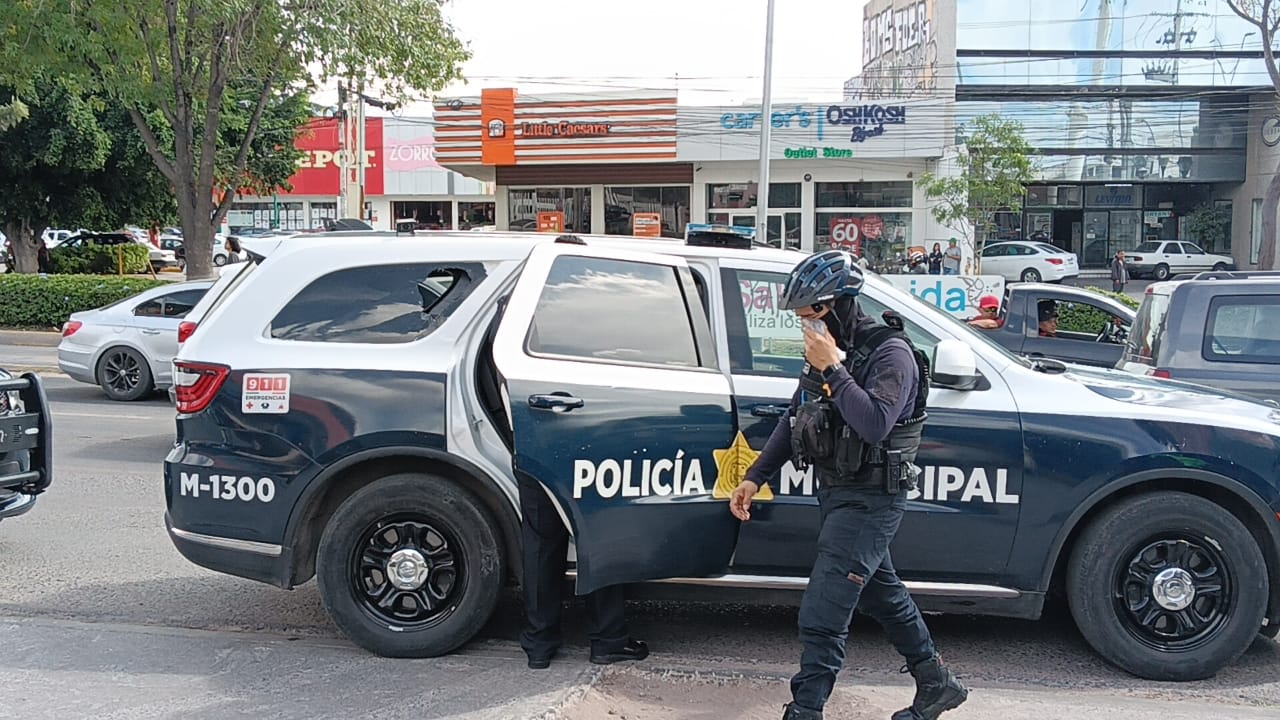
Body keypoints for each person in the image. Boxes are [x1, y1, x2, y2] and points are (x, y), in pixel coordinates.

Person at [729, 250, 968, 720]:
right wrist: (756, 476)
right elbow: (796, 414)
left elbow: (875, 423)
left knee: (823, 610)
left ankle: (805, 710)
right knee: (884, 593)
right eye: (800, 320)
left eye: (811, 315)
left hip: (873, 499)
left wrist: (833, 369)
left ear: (837, 303)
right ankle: (936, 683)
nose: (806, 328)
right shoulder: (827, 354)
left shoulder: (891, 354)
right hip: (838, 492)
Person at [518, 472, 648, 669]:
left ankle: (539, 644)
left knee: (540, 544)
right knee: (599, 531)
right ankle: (608, 639)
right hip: (587, 451)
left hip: (534, 448)